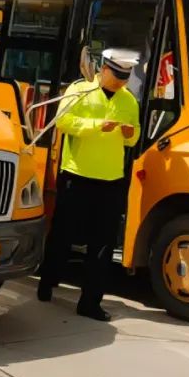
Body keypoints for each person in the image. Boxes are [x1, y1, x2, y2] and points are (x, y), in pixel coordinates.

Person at [37, 48, 141, 321]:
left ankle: (90, 302)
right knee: (63, 234)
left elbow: (133, 137)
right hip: (77, 174)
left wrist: (131, 134)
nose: (120, 81)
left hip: (110, 179)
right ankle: (47, 281)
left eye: (125, 77)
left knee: (103, 244)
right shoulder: (80, 89)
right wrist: (96, 125)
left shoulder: (129, 101)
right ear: (103, 69)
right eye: (117, 75)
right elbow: (63, 121)